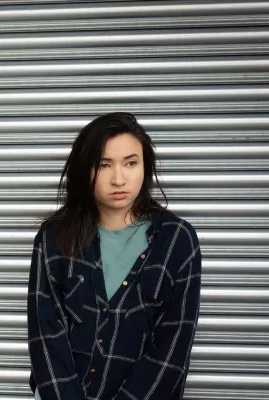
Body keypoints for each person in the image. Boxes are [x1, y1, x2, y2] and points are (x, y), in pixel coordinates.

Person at [27, 112, 202, 400]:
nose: (119, 179)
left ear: (145, 165)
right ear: (85, 169)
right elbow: (45, 334)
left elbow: (173, 348)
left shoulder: (177, 241)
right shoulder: (54, 238)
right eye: (103, 165)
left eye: (131, 163)